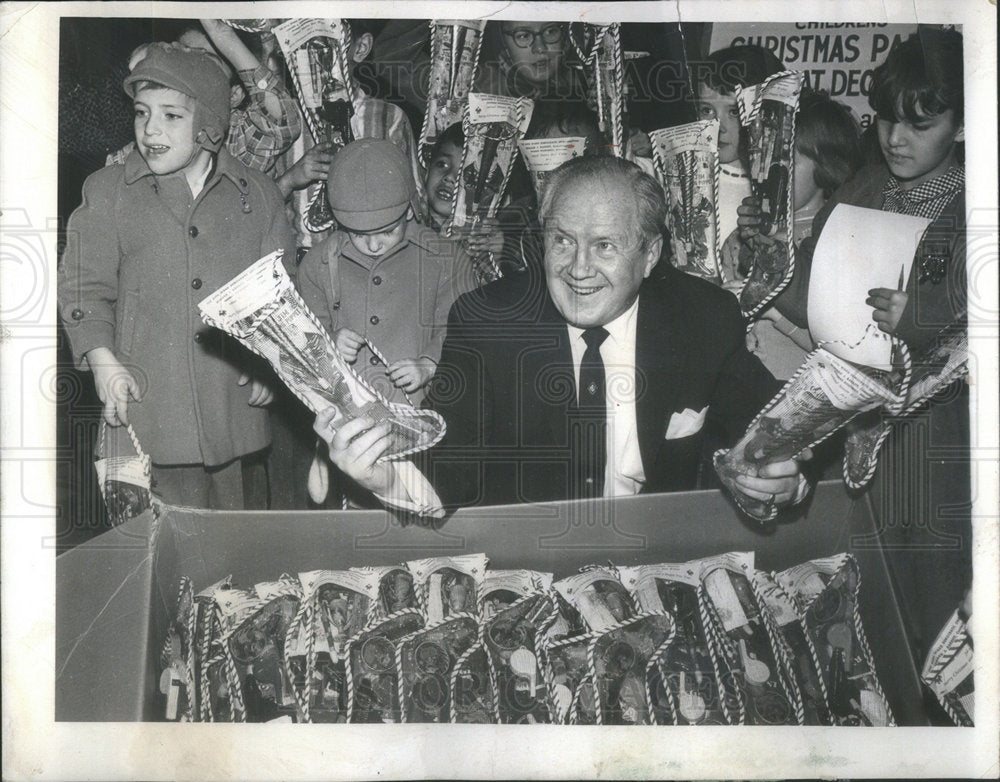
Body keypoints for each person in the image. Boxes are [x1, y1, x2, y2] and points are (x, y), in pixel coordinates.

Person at [313, 155, 810, 517]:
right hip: (527, 565)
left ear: (651, 255)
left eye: (605, 246)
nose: (578, 269)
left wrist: (787, 484)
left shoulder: (702, 318)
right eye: (562, 241)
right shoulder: (488, 322)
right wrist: (380, 476)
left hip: (656, 558)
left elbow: (782, 431)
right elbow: (449, 471)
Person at [754, 30, 969, 667]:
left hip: (935, 443)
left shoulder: (977, 206)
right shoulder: (860, 188)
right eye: (887, 120)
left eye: (921, 125)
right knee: (859, 607)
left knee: (932, 602)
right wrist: (768, 266)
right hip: (849, 427)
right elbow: (813, 300)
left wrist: (926, 315)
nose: (896, 138)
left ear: (962, 126)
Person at [59, 42, 296, 509]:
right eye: (141, 112)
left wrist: (271, 361)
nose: (150, 129)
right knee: (152, 543)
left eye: (171, 116)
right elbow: (83, 286)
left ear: (209, 126)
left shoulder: (259, 195)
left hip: (234, 413)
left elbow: (280, 295)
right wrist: (103, 360)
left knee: (235, 541)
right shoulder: (108, 191)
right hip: (143, 405)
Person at [296, 138, 472, 408]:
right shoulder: (317, 264)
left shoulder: (447, 259)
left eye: (387, 231)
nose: (373, 245)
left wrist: (430, 364)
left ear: (410, 210)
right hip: (345, 413)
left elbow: (463, 331)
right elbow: (298, 340)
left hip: (422, 410)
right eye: (358, 234)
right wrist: (328, 343)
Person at [743, 90, 864, 381]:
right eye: (762, 161)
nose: (769, 175)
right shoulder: (748, 234)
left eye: (785, 163)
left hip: (806, 391)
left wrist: (775, 314)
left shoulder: (837, 238)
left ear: (827, 165)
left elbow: (843, 351)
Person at [106, 19, 301, 175]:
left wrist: (223, 35)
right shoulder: (133, 152)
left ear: (234, 95)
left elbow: (281, 121)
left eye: (207, 61)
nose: (190, 68)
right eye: (183, 56)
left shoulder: (236, 141)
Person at [693, 45, 784, 283]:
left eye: (734, 112)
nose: (718, 126)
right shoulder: (686, 175)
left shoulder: (776, 187)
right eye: (707, 110)